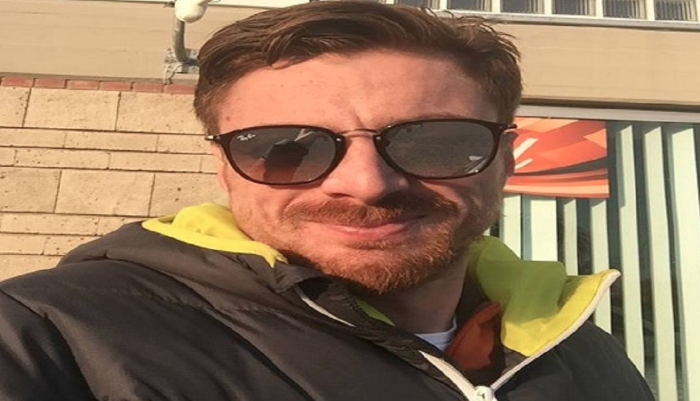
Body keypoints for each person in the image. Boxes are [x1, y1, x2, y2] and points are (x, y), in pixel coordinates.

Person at [0, 2, 654, 400]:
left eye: (435, 142)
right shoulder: (44, 338)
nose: (366, 184)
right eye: (286, 148)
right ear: (225, 169)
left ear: (505, 160)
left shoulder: (587, 356)